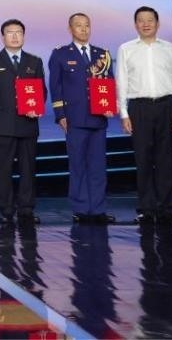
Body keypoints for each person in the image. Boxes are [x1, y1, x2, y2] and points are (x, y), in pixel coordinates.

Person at [115, 6, 172, 225]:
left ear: (157, 23)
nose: (146, 24)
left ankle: (165, 209)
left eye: (150, 20)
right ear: (135, 24)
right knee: (143, 160)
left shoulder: (169, 49)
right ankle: (146, 209)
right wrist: (124, 113)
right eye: (141, 20)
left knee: (166, 160)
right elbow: (121, 83)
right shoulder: (126, 49)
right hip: (139, 108)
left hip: (166, 106)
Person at [48, 13, 115, 224]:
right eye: (78, 25)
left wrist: (109, 105)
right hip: (74, 118)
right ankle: (81, 208)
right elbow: (55, 87)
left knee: (98, 166)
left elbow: (109, 82)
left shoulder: (102, 54)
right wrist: (60, 114)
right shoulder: (60, 54)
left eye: (87, 25)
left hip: (98, 118)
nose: (83, 29)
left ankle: (98, 209)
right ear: (70, 29)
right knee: (78, 165)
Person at [0, 19, 45, 224]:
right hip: (2, 124)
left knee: (28, 169)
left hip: (28, 124)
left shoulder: (34, 61)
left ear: (24, 36)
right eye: (10, 32)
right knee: (3, 169)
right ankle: (6, 210)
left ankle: (26, 209)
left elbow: (42, 90)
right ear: (3, 37)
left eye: (19, 32)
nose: (15, 36)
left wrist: (37, 107)